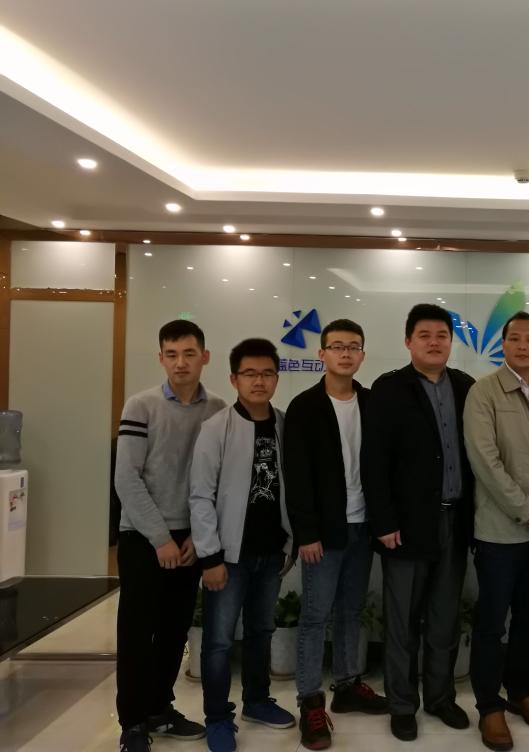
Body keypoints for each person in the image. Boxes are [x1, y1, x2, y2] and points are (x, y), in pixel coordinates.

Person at [362, 303, 476, 742]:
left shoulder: (466, 387)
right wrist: (384, 520)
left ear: (451, 342)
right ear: (408, 341)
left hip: (455, 520)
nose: (434, 342)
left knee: (444, 618)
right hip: (406, 526)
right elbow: (374, 461)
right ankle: (402, 704)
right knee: (403, 621)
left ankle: (441, 698)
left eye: (442, 335)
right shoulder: (389, 388)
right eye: (425, 335)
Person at [114, 319, 226, 752]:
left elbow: (218, 479)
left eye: (189, 353)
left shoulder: (217, 409)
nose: (181, 363)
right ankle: (132, 722)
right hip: (143, 536)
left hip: (191, 537)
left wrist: (199, 536)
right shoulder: (140, 406)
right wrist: (160, 538)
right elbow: (127, 478)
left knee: (175, 630)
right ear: (161, 358)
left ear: (205, 357)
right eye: (172, 354)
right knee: (137, 632)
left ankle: (160, 708)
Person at [285, 319, 387, 751]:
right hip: (323, 533)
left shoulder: (372, 401)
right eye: (337, 346)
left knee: (350, 611)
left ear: (362, 354)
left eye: (353, 347)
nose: (346, 353)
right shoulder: (305, 406)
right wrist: (306, 533)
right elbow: (296, 476)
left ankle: (347, 687)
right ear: (322, 353)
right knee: (315, 616)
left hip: (363, 526)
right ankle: (310, 702)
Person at [190, 338, 296, 752]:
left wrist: (290, 543)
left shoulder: (284, 424)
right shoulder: (216, 428)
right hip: (228, 556)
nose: (259, 381)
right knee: (218, 641)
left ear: (276, 378)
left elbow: (292, 490)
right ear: (234, 379)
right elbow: (200, 495)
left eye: (267, 373)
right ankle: (218, 717)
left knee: (261, 631)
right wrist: (210, 557)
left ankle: (257, 700)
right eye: (250, 373)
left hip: (271, 552)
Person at [463, 311, 529, 751]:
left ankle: (521, 690)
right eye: (515, 338)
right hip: (499, 530)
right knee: (491, 622)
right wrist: (526, 510)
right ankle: (489, 705)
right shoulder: (483, 392)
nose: (523, 346)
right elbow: (484, 460)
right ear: (503, 345)